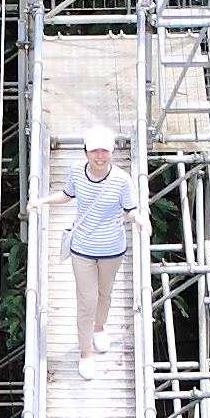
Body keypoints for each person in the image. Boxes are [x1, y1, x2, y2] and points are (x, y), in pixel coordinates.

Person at [59, 136, 130, 371]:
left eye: (105, 151)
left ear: (112, 152)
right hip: (82, 248)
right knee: (86, 301)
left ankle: (99, 327)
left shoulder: (122, 179)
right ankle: (85, 352)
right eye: (94, 151)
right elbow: (67, 194)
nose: (100, 156)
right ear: (86, 152)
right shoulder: (77, 172)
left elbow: (131, 210)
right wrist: (41, 201)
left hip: (111, 248)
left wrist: (141, 220)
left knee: (104, 292)